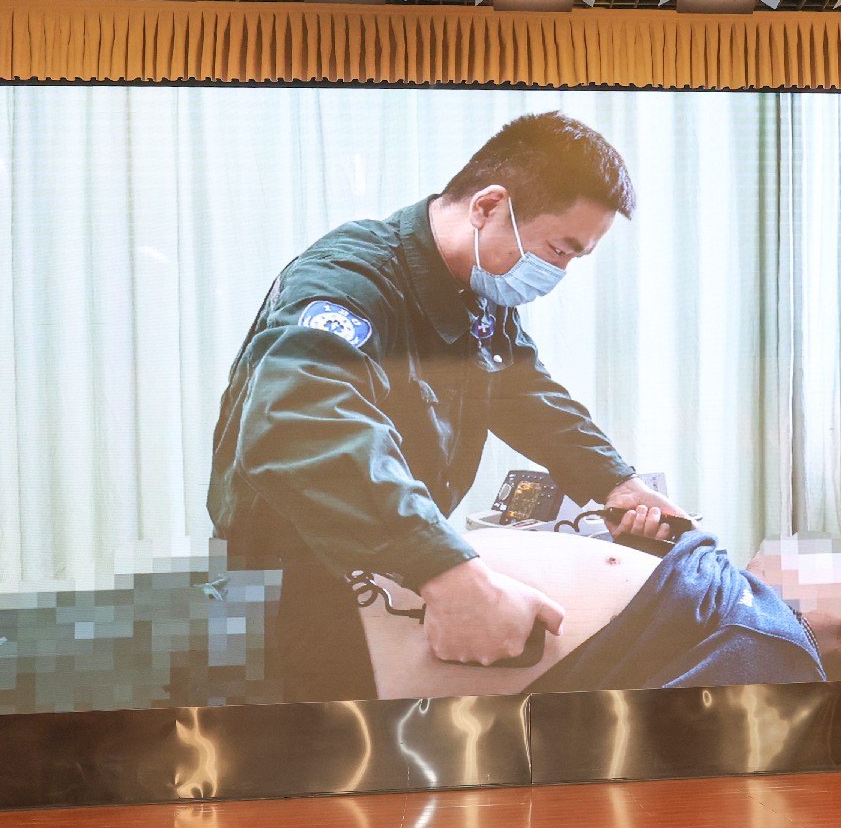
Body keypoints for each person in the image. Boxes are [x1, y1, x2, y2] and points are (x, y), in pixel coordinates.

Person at [209, 112, 691, 703]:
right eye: (557, 250)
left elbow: (523, 393)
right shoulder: (348, 280)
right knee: (310, 747)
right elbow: (302, 425)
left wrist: (617, 483)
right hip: (291, 581)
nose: (557, 273)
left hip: (382, 561)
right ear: (488, 206)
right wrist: (446, 572)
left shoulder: (477, 295)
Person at [355, 520, 841, 700]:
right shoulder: (743, 613)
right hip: (367, 603)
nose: (821, 557)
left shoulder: (780, 658)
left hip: (364, 645)